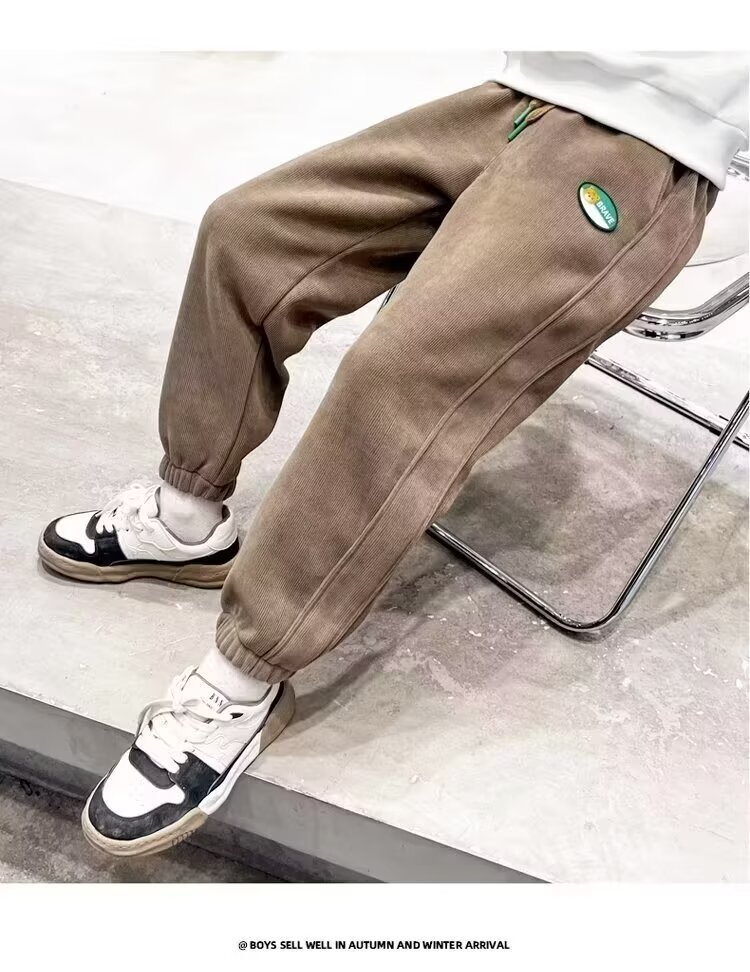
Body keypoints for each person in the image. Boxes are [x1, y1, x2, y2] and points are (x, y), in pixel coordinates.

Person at [38, 52, 748, 857]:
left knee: (398, 376)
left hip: (655, 153)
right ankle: (187, 516)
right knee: (247, 232)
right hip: (528, 94)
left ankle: (243, 680)